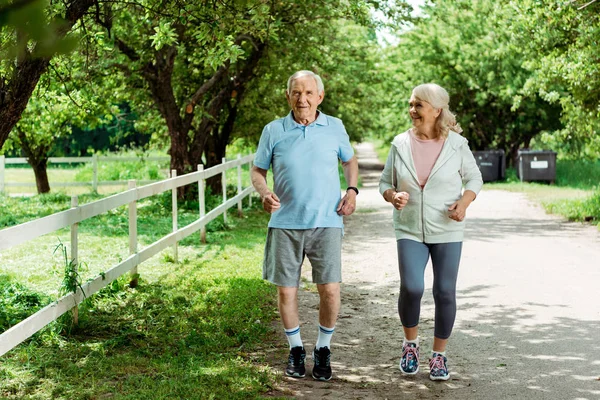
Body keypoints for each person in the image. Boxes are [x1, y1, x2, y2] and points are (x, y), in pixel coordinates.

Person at [251, 70, 359, 381]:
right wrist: (264, 192)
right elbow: (257, 171)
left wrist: (351, 191)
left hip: (327, 221)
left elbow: (349, 161)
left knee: (330, 289)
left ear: (320, 97)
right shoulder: (273, 130)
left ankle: (323, 349)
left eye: (309, 93)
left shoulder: (335, 127)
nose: (303, 99)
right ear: (288, 96)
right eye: (297, 93)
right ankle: (296, 349)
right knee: (287, 292)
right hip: (285, 223)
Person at [379, 83, 483, 381]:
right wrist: (392, 196)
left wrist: (464, 203)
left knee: (444, 292)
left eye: (419, 105)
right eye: (411, 104)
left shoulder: (456, 145)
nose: (412, 110)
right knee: (412, 287)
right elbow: (385, 182)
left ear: (437, 110)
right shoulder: (399, 143)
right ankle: (410, 345)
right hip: (409, 226)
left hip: (447, 227)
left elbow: (474, 178)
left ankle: (439, 355)